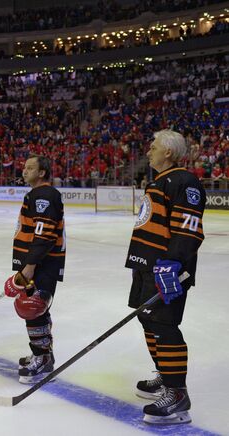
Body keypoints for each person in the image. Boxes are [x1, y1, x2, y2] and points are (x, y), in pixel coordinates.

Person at [125, 130, 205, 425]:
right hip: (147, 267)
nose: (149, 151)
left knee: (165, 324)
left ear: (168, 152)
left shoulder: (185, 182)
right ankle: (165, 375)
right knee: (148, 319)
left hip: (167, 269)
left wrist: (172, 265)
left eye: (154, 146)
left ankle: (177, 394)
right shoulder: (159, 181)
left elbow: (189, 229)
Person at [7, 155, 65, 383]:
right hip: (36, 263)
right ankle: (43, 354)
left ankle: (42, 358)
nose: (24, 170)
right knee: (37, 310)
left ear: (42, 173)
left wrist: (30, 266)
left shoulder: (45, 195)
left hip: (41, 264)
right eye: (24, 166)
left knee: (33, 309)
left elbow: (44, 234)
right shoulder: (37, 194)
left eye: (30, 168)